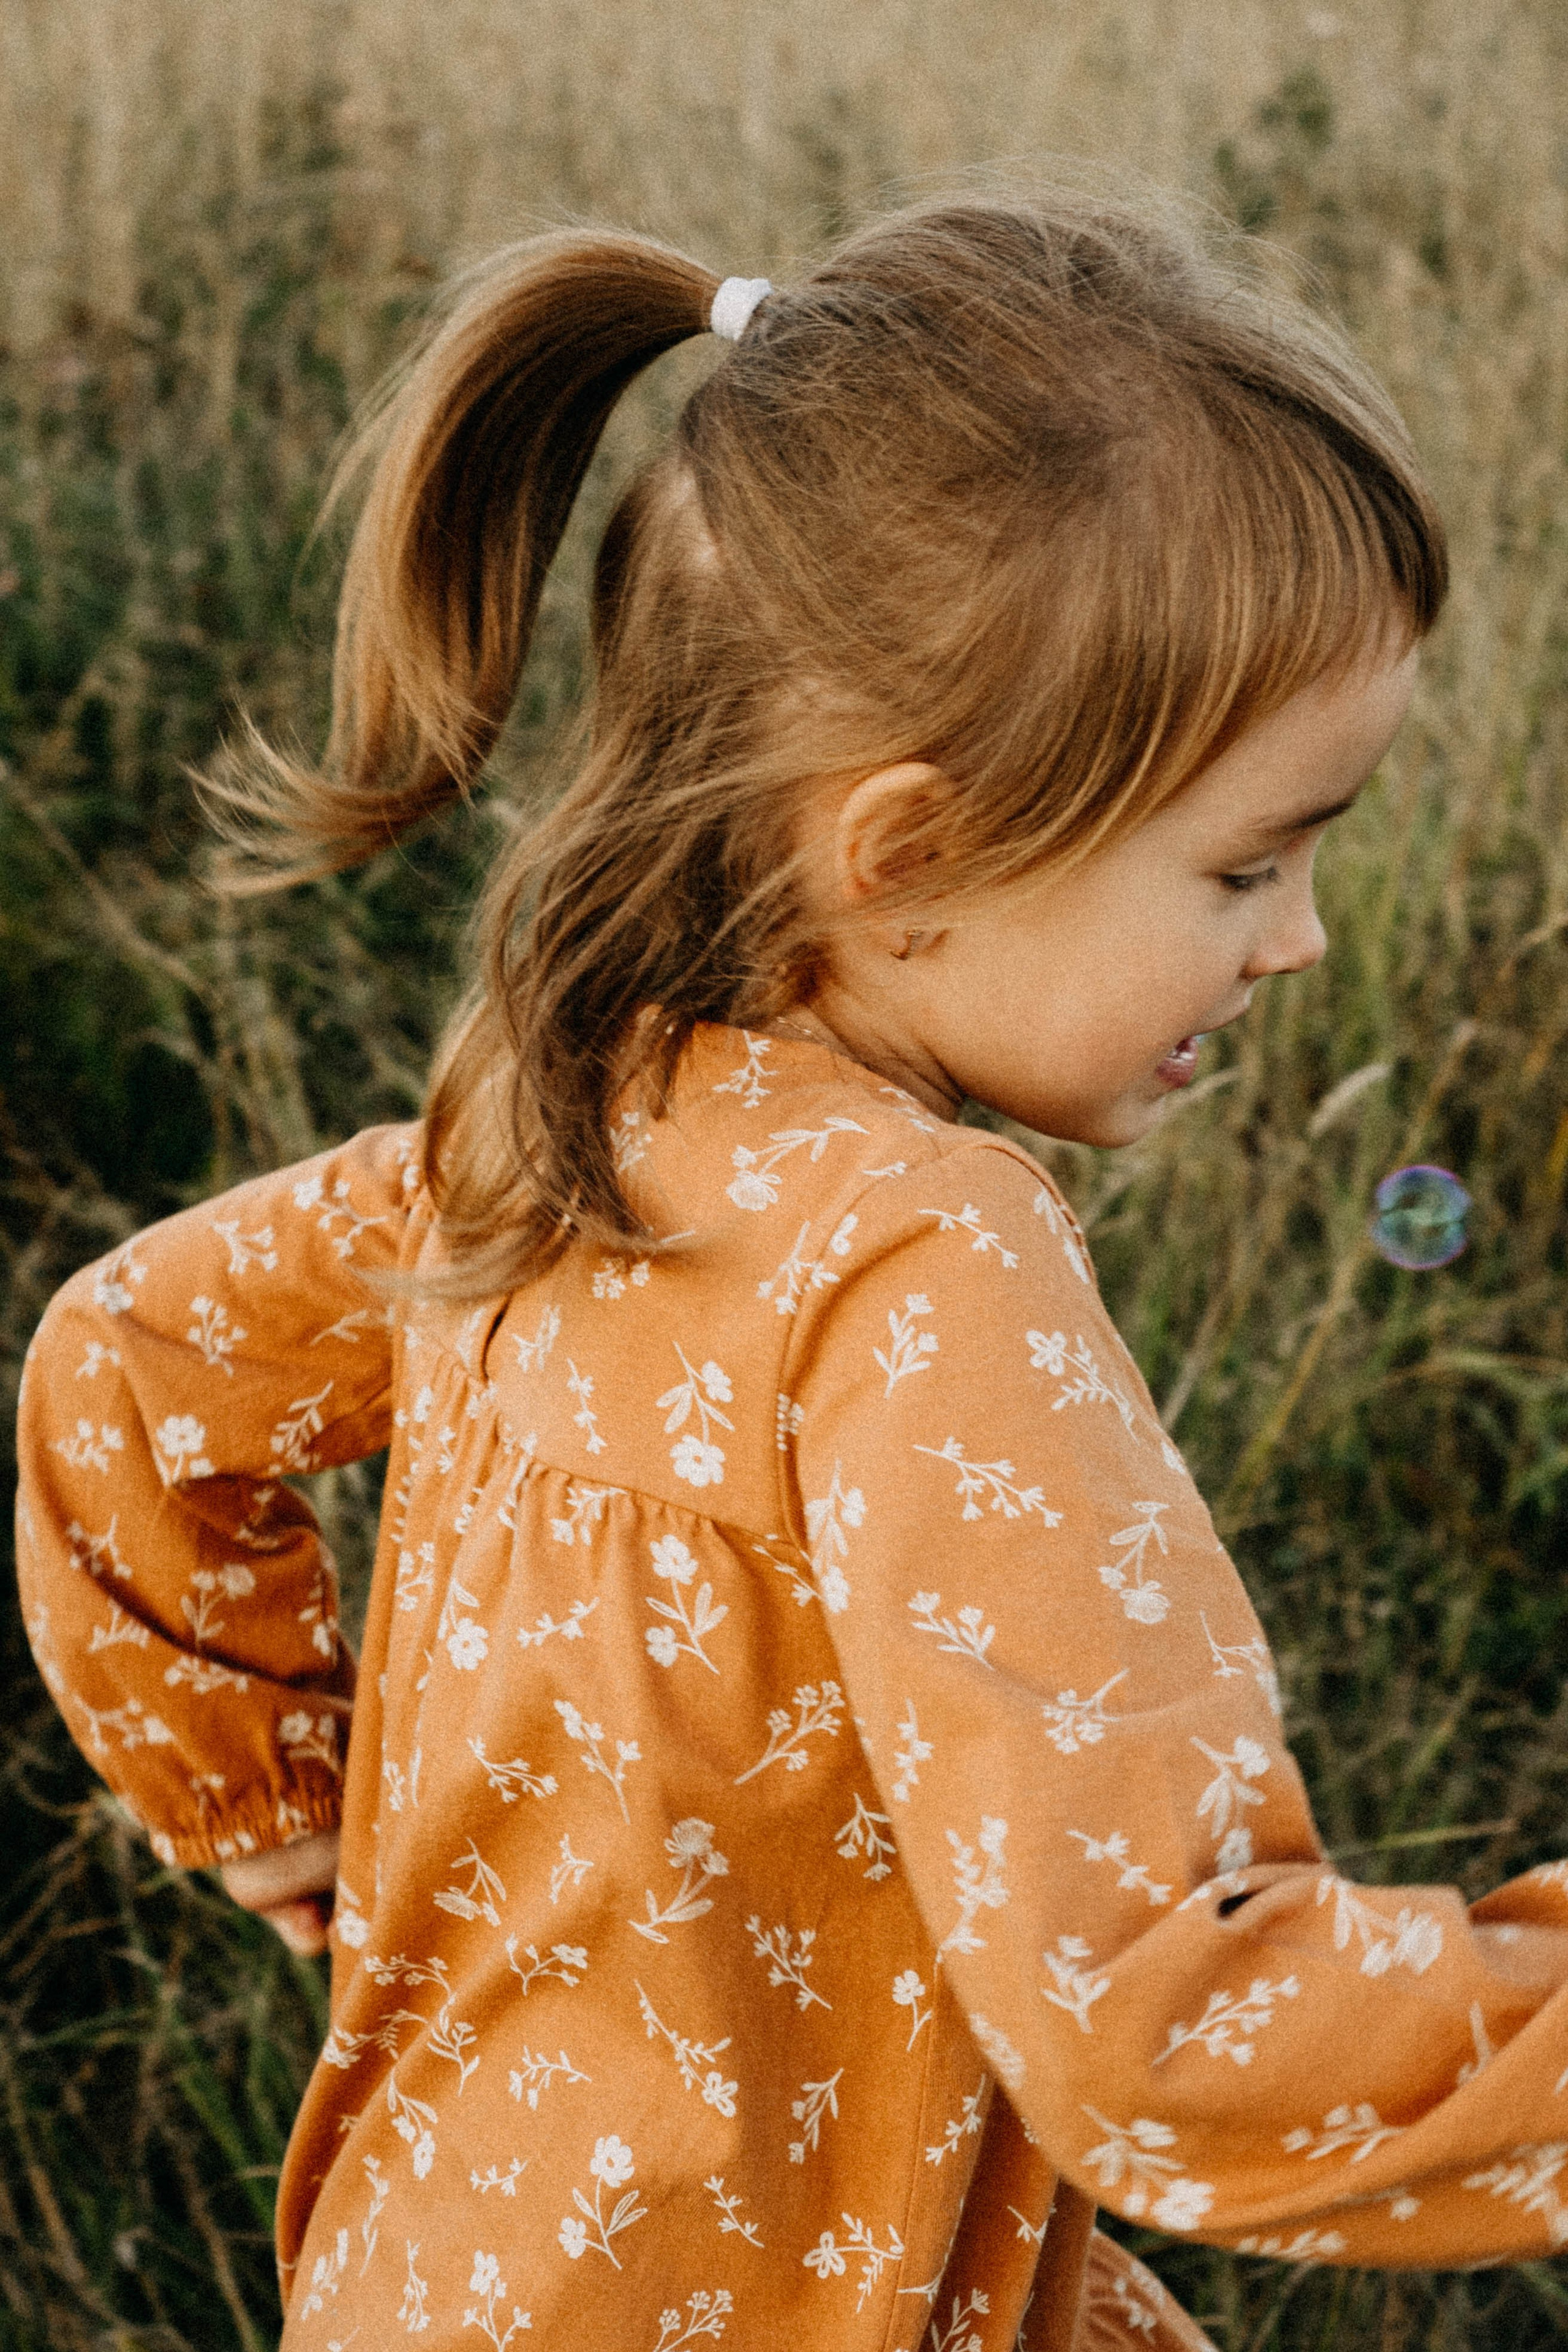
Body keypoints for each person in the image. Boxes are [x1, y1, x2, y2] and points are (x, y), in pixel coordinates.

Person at [15, 190, 1568, 2352]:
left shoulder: (539, 1130)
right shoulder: (929, 1271)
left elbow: (125, 1369)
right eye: (1246, 862)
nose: (1297, 940)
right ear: (913, 854)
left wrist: (271, 1809)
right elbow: (1155, 2016)